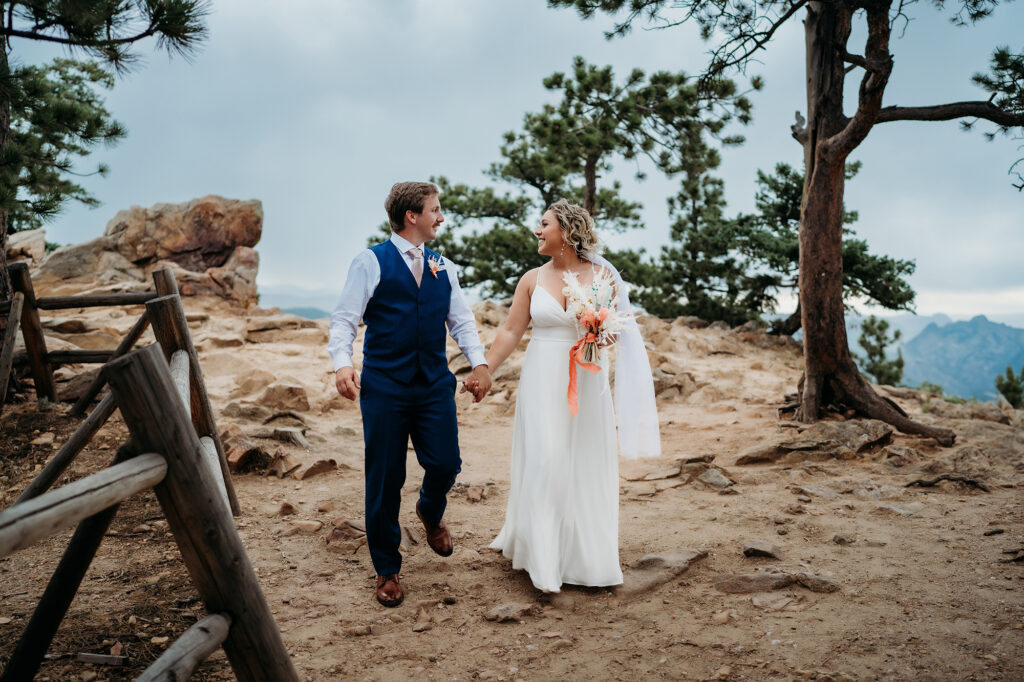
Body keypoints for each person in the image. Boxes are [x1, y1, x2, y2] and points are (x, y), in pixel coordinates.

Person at [328, 181, 492, 607]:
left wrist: (479, 363)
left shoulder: (444, 267)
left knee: (446, 463)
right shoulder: (370, 262)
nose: (441, 217)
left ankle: (429, 511)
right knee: (384, 477)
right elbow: (345, 319)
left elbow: (461, 322)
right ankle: (387, 568)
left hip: (434, 384)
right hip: (384, 386)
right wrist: (342, 364)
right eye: (435, 210)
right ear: (412, 217)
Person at [484, 199, 660, 593]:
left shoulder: (603, 276)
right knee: (546, 459)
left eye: (544, 224)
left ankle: (585, 558)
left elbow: (617, 332)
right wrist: (485, 370)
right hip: (542, 378)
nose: (537, 230)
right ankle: (543, 561)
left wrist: (600, 330)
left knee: (583, 462)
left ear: (565, 229)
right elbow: (512, 331)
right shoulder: (531, 278)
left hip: (587, 377)